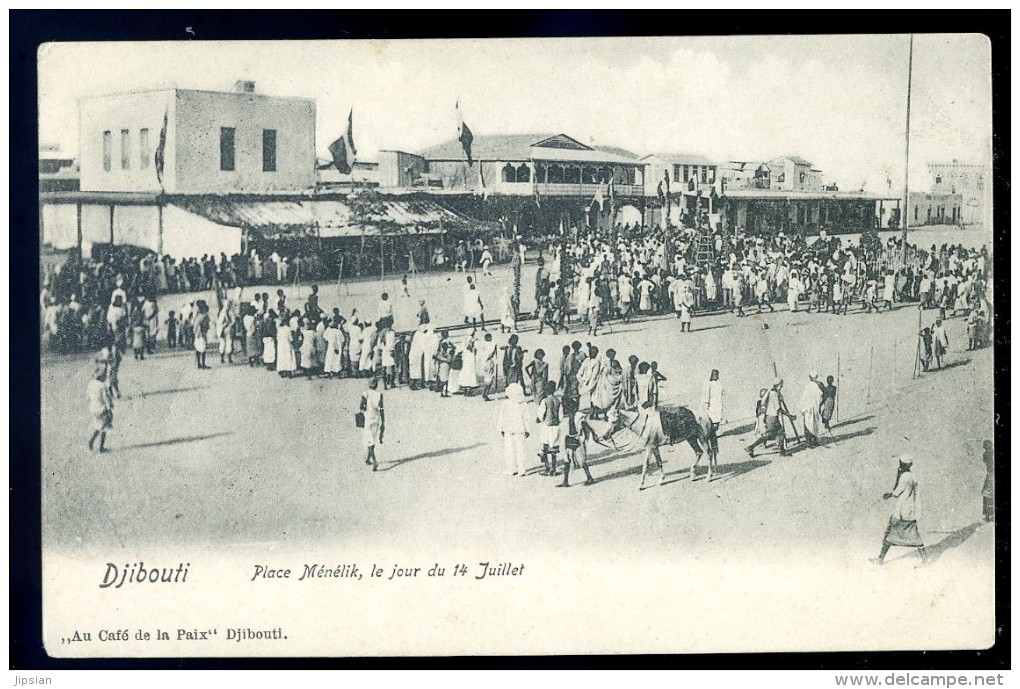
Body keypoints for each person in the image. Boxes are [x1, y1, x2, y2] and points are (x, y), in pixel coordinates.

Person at [872, 455, 928, 565]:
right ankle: (925, 560)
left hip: (902, 511)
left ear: (903, 464)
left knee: (889, 532)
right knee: (914, 535)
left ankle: (880, 559)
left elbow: (896, 492)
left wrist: (889, 494)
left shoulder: (904, 477)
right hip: (911, 510)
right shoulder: (913, 476)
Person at [745, 378, 796, 457]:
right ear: (776, 386)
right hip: (772, 418)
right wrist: (789, 415)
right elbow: (778, 409)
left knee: (780, 433)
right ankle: (750, 447)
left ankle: (782, 452)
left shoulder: (772, 392)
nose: (781, 388)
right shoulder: (774, 395)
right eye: (780, 386)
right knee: (768, 435)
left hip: (770, 417)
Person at [498, 383, 530, 476]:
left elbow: (501, 416)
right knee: (521, 450)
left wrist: (501, 428)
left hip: (508, 430)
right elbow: (526, 418)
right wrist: (528, 430)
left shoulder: (505, 403)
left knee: (509, 450)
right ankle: (521, 469)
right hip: (520, 430)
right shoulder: (523, 404)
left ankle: (510, 469)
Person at [559, 408, 596, 487]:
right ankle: (565, 481)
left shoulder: (579, 416)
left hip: (577, 440)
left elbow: (585, 425)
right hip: (569, 440)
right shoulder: (567, 417)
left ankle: (589, 477)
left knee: (582, 461)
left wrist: (591, 434)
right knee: (567, 460)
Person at [536, 381, 562, 476]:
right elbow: (561, 416)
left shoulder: (545, 401)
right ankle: (554, 469)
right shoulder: (558, 401)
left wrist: (540, 419)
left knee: (545, 447)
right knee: (554, 448)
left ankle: (547, 467)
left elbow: (540, 414)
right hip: (555, 427)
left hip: (547, 426)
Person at [359, 377, 385, 472]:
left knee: (368, 439)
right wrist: (383, 423)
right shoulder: (379, 395)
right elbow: (382, 410)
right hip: (376, 419)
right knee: (372, 439)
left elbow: (361, 407)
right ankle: (368, 459)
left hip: (368, 419)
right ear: (376, 385)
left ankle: (374, 461)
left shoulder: (365, 394)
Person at [701, 369, 724, 465]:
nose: (716, 376)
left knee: (714, 427)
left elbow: (722, 395)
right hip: (711, 409)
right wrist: (705, 407)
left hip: (717, 409)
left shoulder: (719, 385)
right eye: (714, 375)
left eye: (717, 375)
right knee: (710, 428)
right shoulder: (708, 384)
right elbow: (706, 397)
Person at [87, 370, 113, 453]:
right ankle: (101, 447)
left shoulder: (91, 383)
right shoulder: (102, 385)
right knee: (105, 427)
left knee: (98, 426)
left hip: (93, 408)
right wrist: (109, 409)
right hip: (101, 408)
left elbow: (88, 396)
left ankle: (91, 441)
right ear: (101, 377)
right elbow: (106, 398)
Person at [799, 371, 824, 448]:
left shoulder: (809, 386)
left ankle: (810, 442)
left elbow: (804, 398)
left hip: (809, 408)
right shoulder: (819, 385)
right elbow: (822, 396)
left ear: (810, 377)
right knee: (814, 424)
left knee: (808, 424)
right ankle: (813, 440)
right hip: (815, 407)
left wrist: (802, 408)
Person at [981, 439, 994, 522]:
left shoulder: (986, 454)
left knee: (987, 495)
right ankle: (988, 515)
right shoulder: (988, 453)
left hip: (990, 475)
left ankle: (988, 516)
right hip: (990, 475)